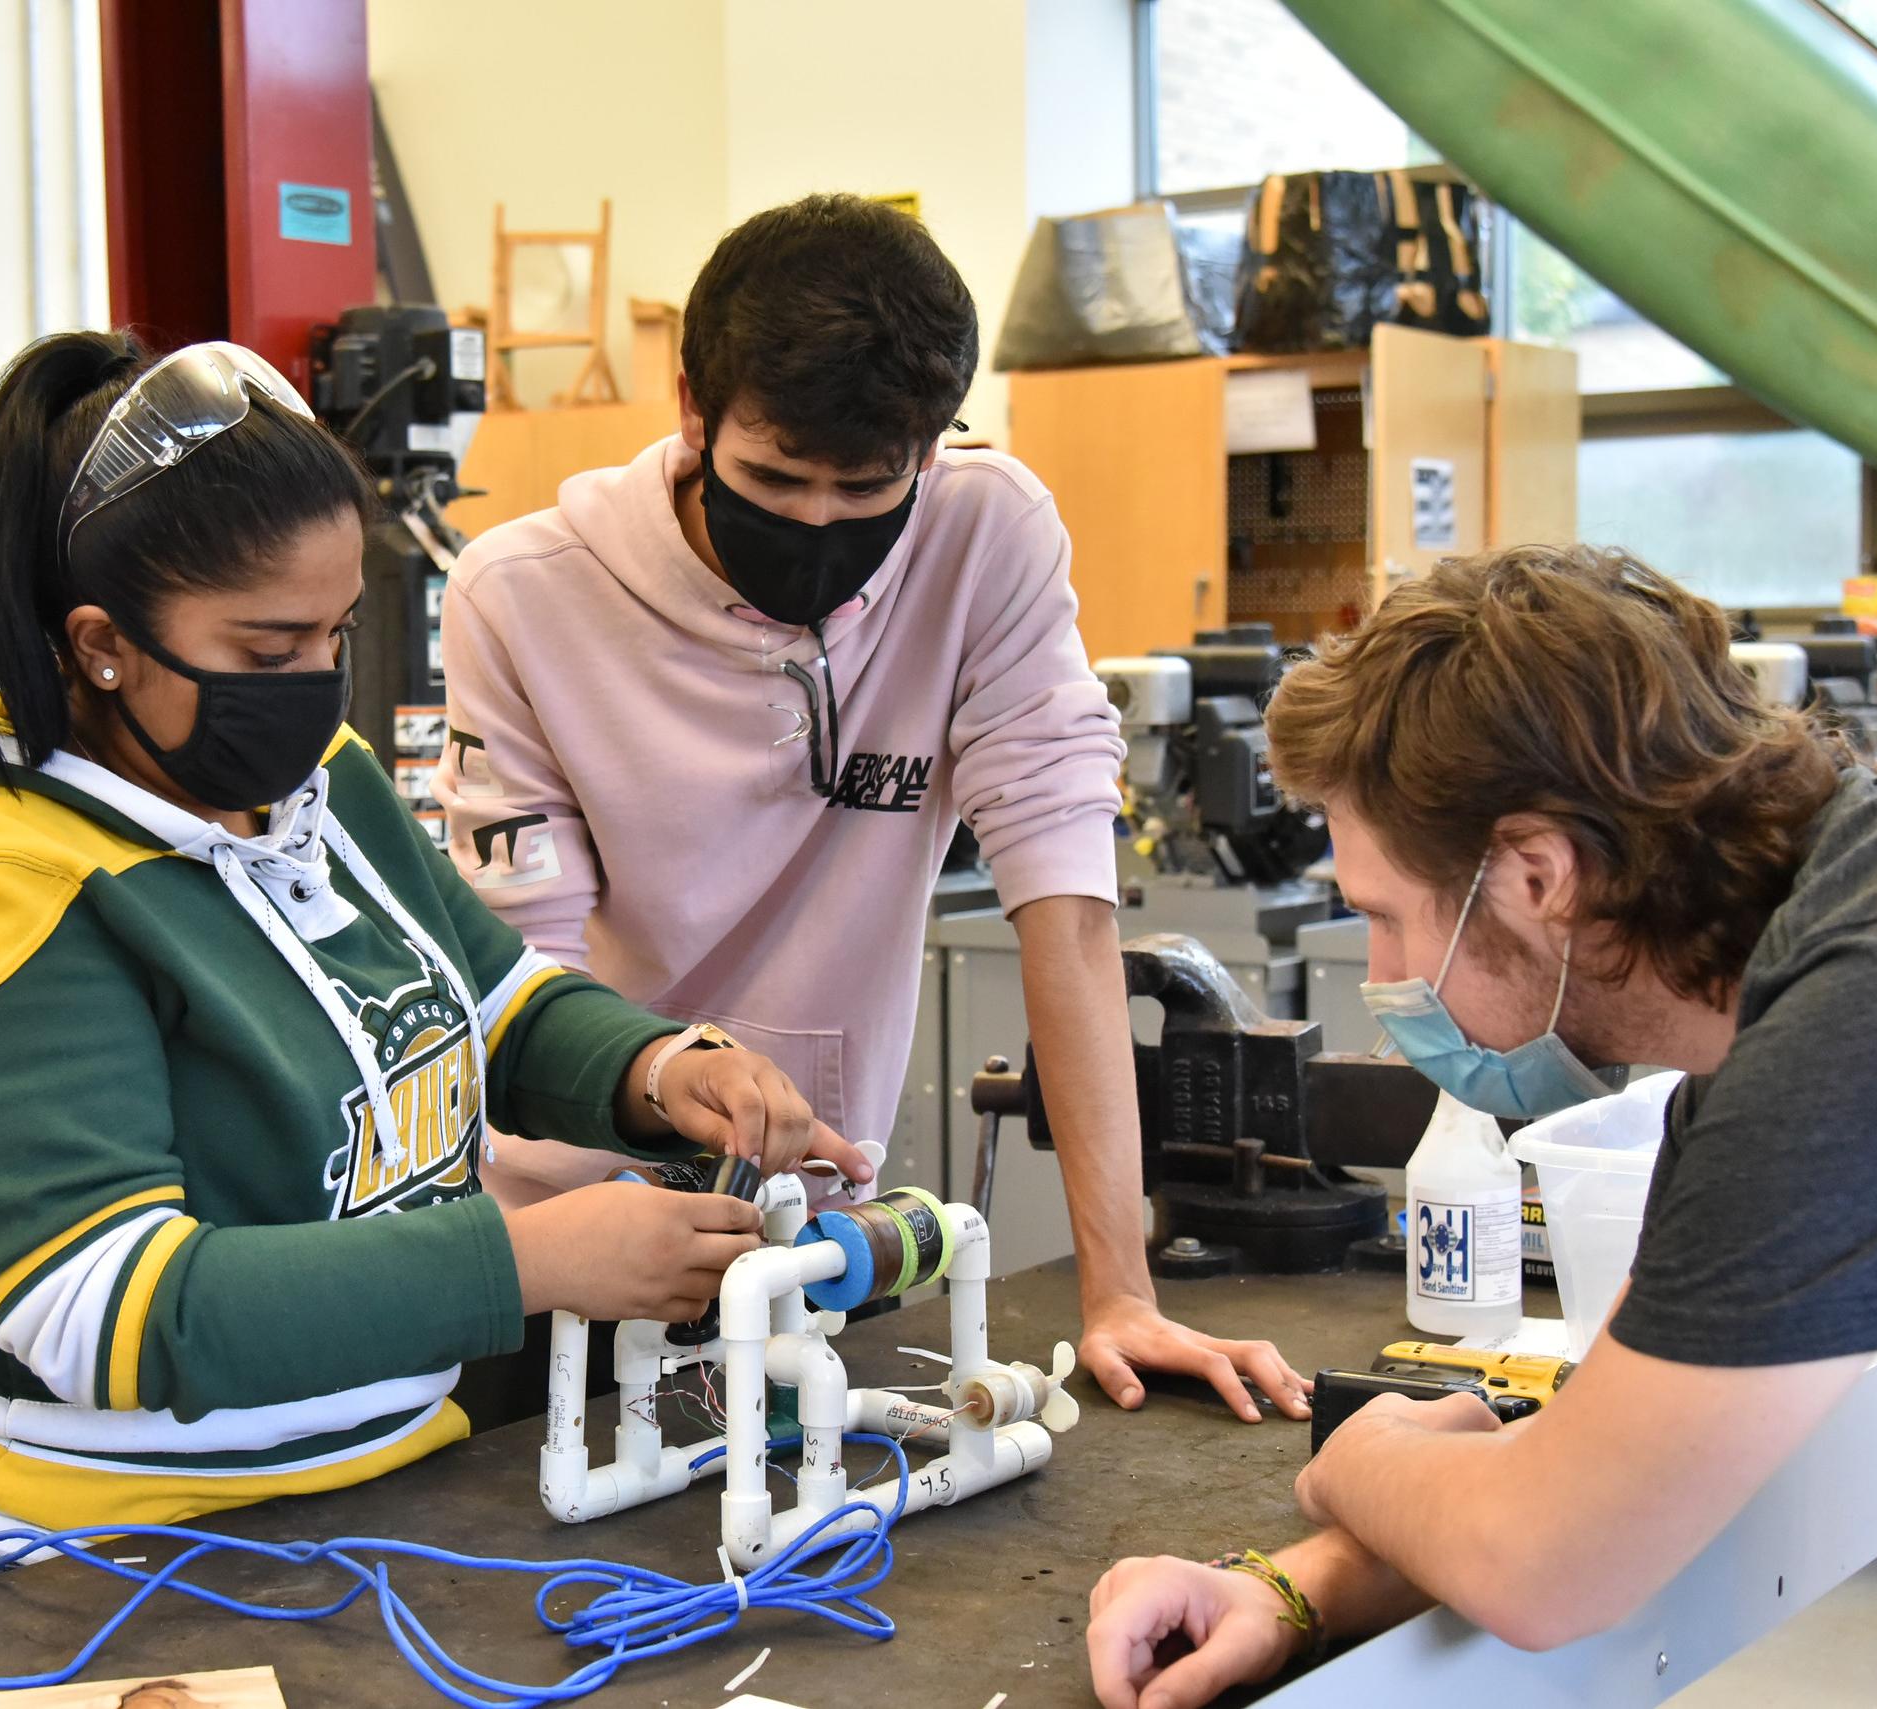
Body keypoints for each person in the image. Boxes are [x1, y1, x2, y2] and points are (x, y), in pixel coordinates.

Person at [0, 331, 862, 1628]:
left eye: (334, 635)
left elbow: (489, 999)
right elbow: (115, 1313)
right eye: (263, 650)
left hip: (356, 1509)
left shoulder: (306, 779)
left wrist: (658, 1071)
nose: (313, 691)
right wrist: (522, 1262)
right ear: (100, 644)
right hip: (43, 1563)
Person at [434, 193, 1310, 1424]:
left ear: (932, 443)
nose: (812, 523)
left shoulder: (985, 539)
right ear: (691, 405)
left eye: (862, 488)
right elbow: (524, 965)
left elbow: (1064, 908)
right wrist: (597, 1195)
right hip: (570, 1233)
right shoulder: (521, 593)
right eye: (772, 476)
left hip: (815, 1230)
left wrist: (1121, 1290)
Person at [1085, 543, 1877, 1707]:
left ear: (1537, 874)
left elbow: (1545, 1557)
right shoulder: (1804, 986)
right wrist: (1293, 1588)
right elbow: (1625, 1454)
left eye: (1387, 919)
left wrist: (1363, 1461)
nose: (1385, 977)